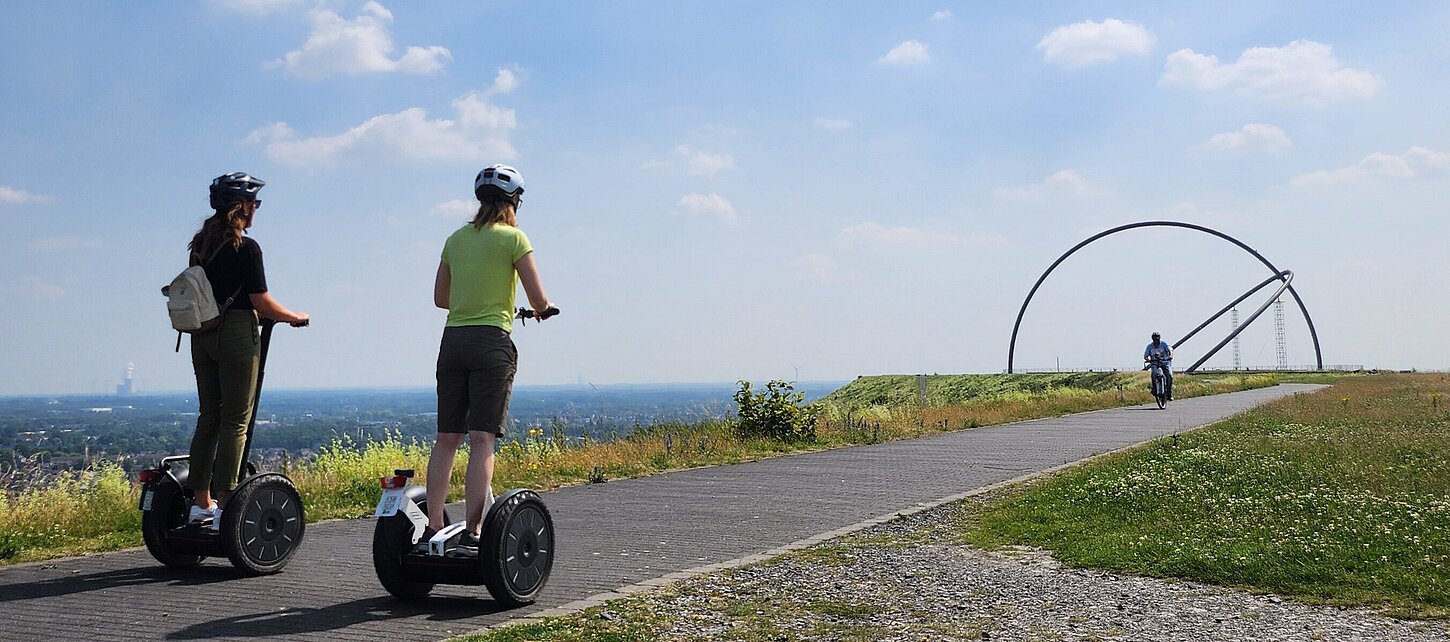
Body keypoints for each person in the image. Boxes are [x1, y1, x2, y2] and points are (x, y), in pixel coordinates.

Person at [428, 164, 554, 546]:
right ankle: (473, 530)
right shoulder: (514, 239)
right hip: (491, 342)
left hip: (452, 341)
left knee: (447, 437)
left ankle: (433, 525)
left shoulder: (455, 239)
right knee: (482, 438)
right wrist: (541, 310)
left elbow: (440, 299)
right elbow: (538, 299)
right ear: (514, 201)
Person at [185, 172, 309, 529]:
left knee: (208, 416)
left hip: (202, 334)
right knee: (236, 419)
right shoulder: (246, 247)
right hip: (237, 332)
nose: (257, 209)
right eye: (254, 203)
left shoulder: (199, 245)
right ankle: (226, 506)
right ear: (242, 207)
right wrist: (294, 317)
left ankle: (200, 504)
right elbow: (261, 302)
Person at [1143, 331, 1173, 400]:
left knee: (1169, 376)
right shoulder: (1149, 346)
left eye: (1157, 339)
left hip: (1165, 362)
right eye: (1154, 340)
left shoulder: (1164, 344)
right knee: (1154, 374)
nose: (1156, 341)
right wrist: (1147, 359)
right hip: (1154, 363)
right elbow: (1146, 355)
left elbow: (1170, 350)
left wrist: (1170, 356)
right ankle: (1154, 389)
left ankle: (1169, 393)